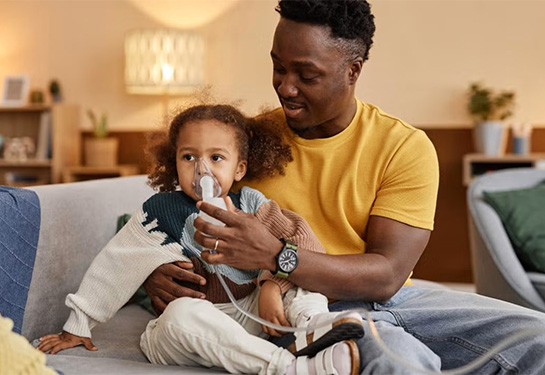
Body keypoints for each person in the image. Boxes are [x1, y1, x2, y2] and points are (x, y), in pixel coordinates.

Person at [144, 0, 545, 374]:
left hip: (393, 299)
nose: (285, 86)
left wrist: (276, 254)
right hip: (296, 307)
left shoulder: (403, 146)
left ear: (352, 70)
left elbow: (386, 274)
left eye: (306, 74)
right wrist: (152, 274)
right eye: (278, 67)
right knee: (400, 360)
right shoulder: (246, 142)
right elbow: (166, 213)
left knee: (535, 335)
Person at [37, 104, 365, 375]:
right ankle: (286, 367)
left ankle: (312, 326)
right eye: (189, 157)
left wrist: (271, 285)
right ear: (174, 161)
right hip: (196, 327)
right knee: (180, 315)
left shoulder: (253, 204)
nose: (201, 169)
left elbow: (304, 243)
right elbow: (115, 265)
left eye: (216, 158)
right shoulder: (161, 211)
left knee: (302, 278)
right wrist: (77, 325)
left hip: (255, 314)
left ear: (239, 168)